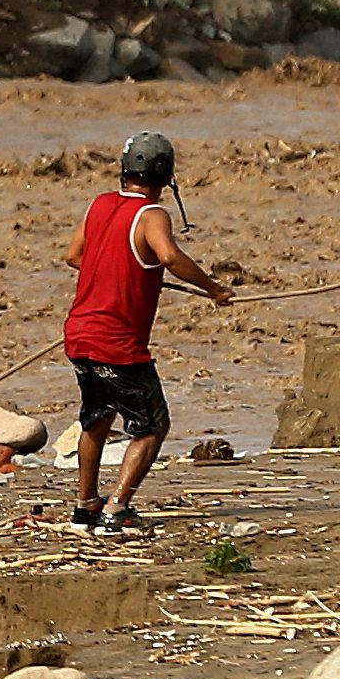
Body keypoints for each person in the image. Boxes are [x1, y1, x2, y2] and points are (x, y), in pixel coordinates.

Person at [63, 132, 234, 534]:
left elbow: (74, 257)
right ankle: (117, 507)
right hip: (117, 343)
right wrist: (213, 289)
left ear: (124, 172)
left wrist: (124, 272)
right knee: (153, 426)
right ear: (166, 178)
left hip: (80, 334)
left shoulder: (99, 204)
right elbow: (170, 255)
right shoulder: (152, 215)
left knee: (97, 418)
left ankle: (86, 504)